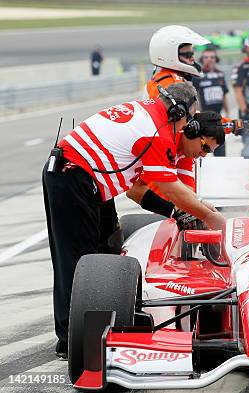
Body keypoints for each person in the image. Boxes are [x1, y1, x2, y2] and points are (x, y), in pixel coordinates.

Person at [43, 82, 226, 359]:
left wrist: (188, 211)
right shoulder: (157, 132)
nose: (203, 153)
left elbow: (141, 191)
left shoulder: (169, 134)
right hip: (71, 175)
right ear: (182, 118)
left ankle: (104, 324)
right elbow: (170, 189)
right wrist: (211, 216)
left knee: (108, 250)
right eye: (204, 147)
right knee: (79, 261)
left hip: (90, 182)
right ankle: (73, 341)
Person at [146, 25, 209, 99]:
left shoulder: (163, 80)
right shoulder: (172, 85)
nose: (193, 59)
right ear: (170, 56)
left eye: (192, 54)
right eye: (188, 55)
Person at [192, 46, 230, 156]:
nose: (209, 59)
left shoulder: (220, 74)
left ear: (216, 59)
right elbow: (194, 95)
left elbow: (224, 94)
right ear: (202, 59)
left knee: (220, 145)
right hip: (204, 116)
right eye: (206, 57)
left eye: (212, 57)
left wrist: (227, 112)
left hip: (218, 116)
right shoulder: (198, 75)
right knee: (204, 146)